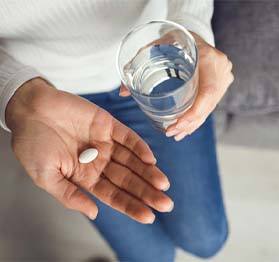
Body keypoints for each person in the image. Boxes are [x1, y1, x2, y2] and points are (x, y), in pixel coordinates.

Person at [0, 1, 234, 261]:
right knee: (151, 258)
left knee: (206, 240)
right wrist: (20, 98)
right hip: (52, 96)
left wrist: (190, 31)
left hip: (153, 64)